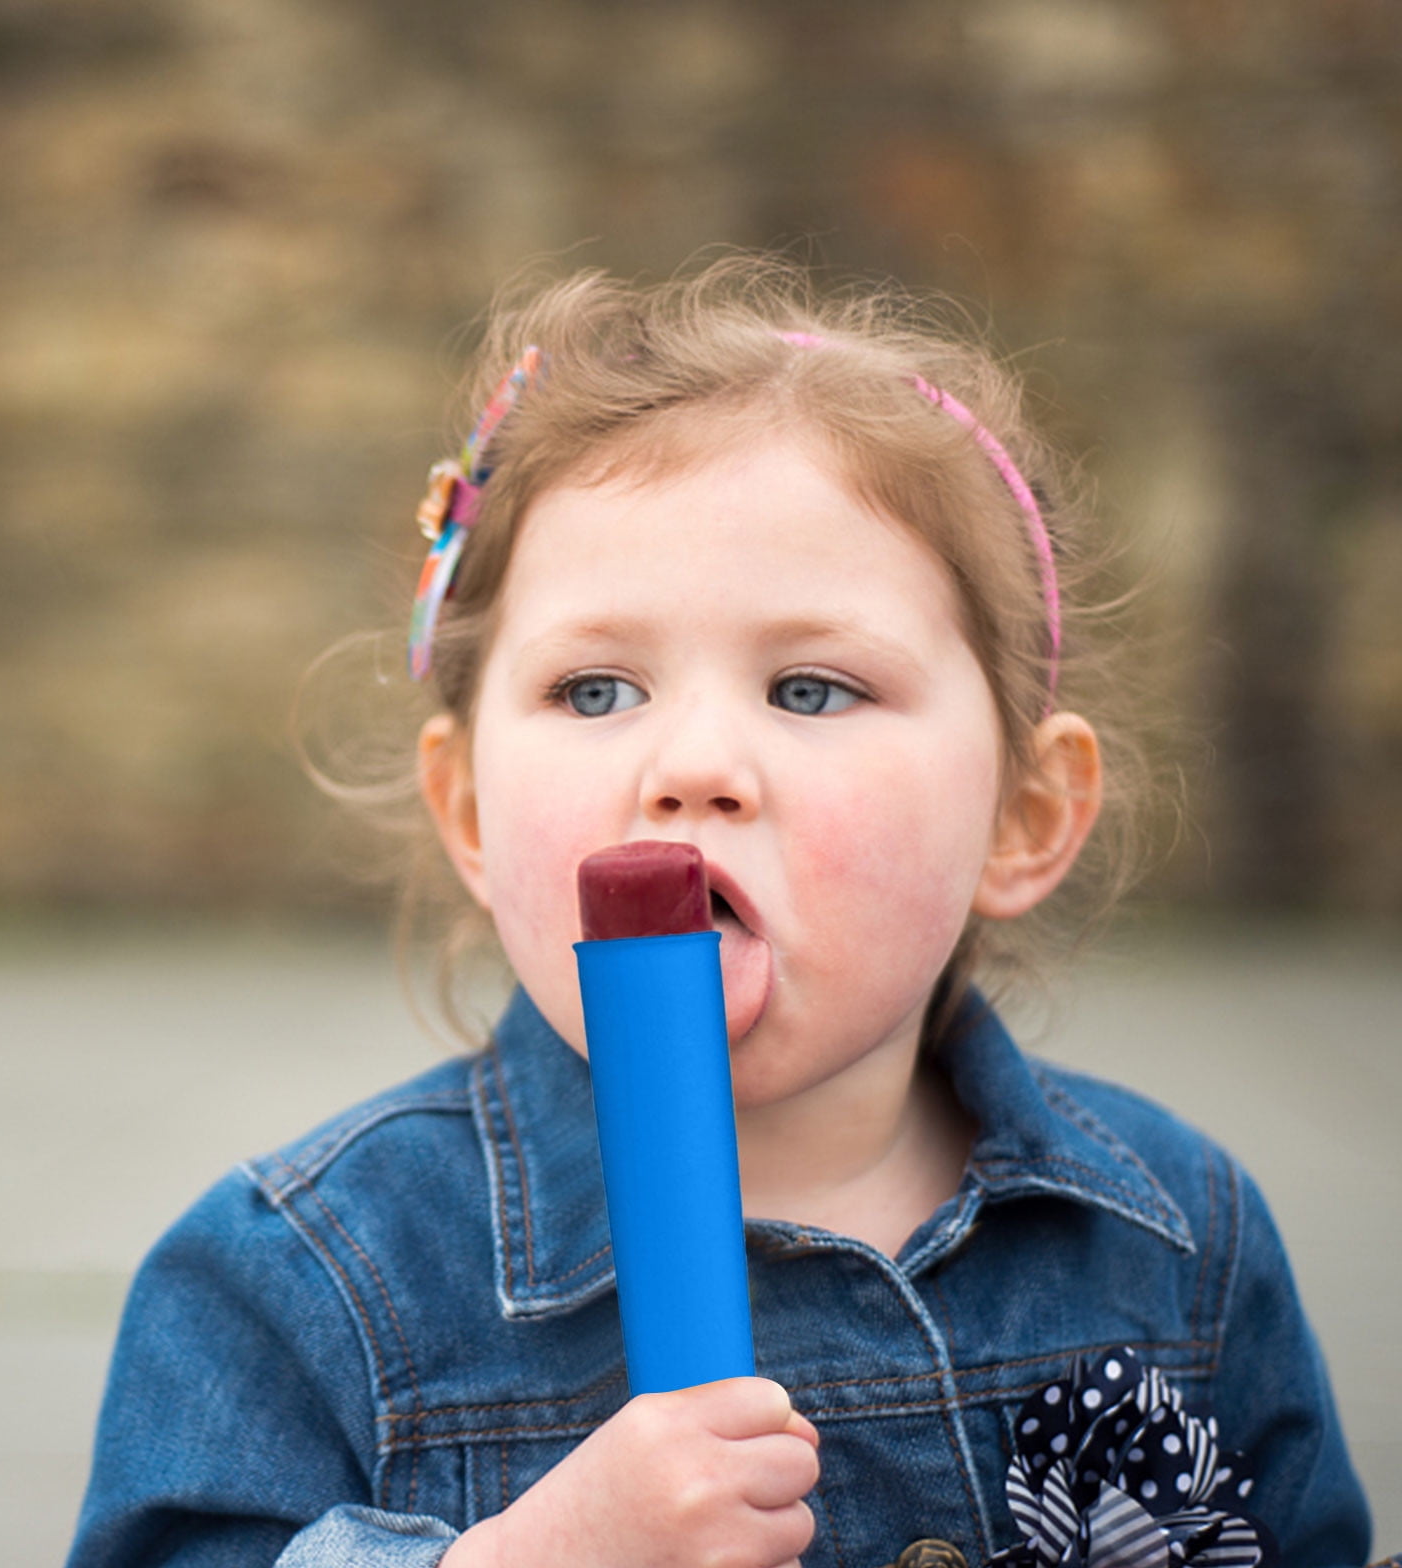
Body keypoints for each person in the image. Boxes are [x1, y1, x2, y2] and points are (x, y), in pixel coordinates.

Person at [67, 258, 1381, 1568]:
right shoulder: (300, 1279)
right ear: (467, 810)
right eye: (594, 691)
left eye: (810, 689)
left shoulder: (1178, 1238)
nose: (690, 763)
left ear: (1024, 817)